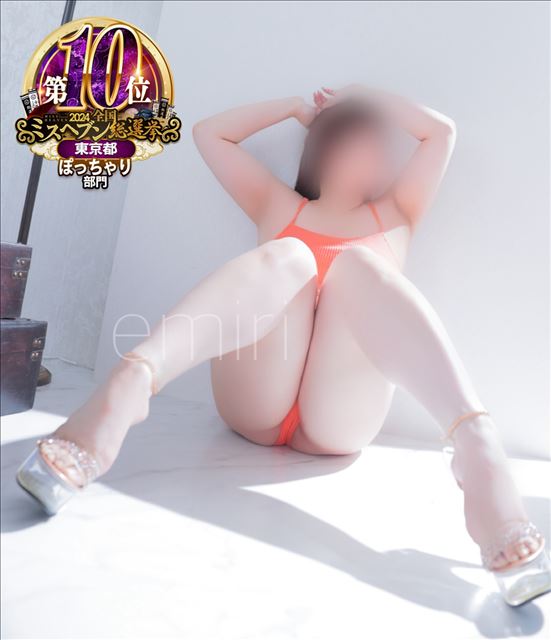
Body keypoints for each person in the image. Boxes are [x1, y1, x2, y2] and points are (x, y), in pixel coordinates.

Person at [16, 85, 550, 606]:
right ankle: (131, 383)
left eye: (382, 143)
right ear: (330, 145)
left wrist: (369, 97)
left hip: (338, 420)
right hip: (256, 396)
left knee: (359, 267)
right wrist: (296, 108)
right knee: (291, 255)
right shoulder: (279, 205)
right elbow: (209, 134)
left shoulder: (397, 214)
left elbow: (441, 133)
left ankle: (476, 445)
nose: (381, 153)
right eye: (366, 139)